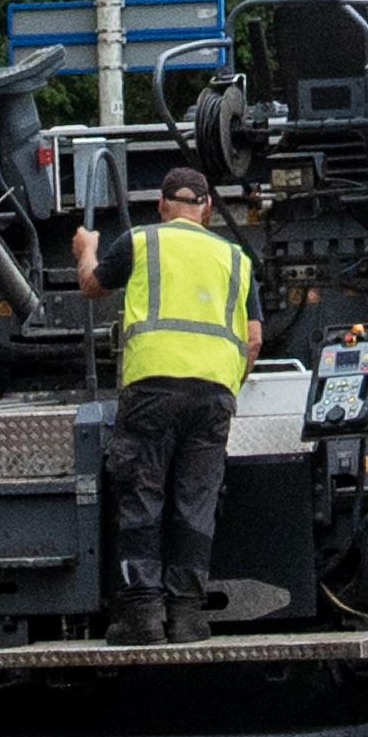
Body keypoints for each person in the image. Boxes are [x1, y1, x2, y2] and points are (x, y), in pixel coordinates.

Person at [100, 162, 257, 644]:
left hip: (152, 387)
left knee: (142, 494)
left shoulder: (142, 241)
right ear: (207, 208)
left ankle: (143, 615)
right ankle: (188, 616)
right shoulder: (237, 258)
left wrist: (86, 250)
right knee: (196, 501)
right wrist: (229, 382)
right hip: (213, 395)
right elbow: (253, 339)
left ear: (163, 206)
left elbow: (93, 285)